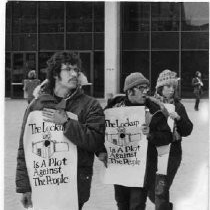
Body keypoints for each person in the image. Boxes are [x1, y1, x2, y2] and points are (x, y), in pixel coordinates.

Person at [16, 51, 105, 210]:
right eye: (68, 69)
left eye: (76, 70)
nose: (74, 74)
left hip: (75, 185)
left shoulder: (90, 105)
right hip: (43, 183)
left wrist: (67, 123)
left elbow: (96, 141)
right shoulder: (36, 105)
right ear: (56, 73)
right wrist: (25, 188)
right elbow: (25, 148)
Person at [98, 72, 173, 210]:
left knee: (137, 204)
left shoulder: (154, 110)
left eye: (146, 88)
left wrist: (151, 134)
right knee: (122, 203)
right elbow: (100, 131)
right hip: (120, 165)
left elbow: (168, 136)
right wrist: (100, 151)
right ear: (129, 91)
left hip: (143, 168)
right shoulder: (114, 107)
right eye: (141, 88)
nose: (145, 91)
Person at [146, 69, 193, 209]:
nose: (171, 89)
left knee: (161, 190)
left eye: (174, 87)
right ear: (160, 87)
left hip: (173, 153)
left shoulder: (178, 106)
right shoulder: (150, 104)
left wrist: (179, 118)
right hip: (153, 153)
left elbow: (188, 130)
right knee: (151, 191)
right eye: (168, 86)